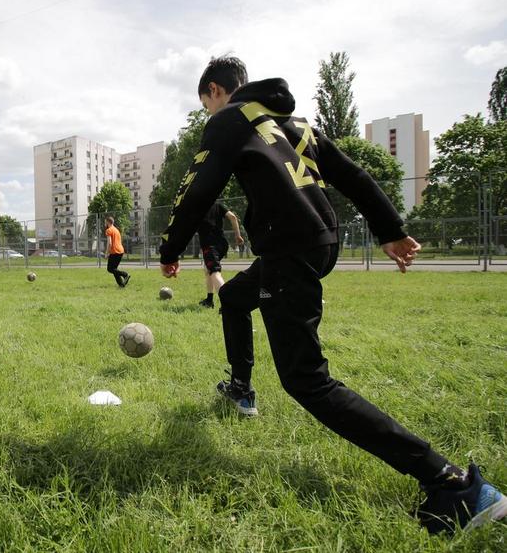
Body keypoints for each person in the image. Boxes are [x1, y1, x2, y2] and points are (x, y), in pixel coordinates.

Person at [157, 55, 506, 535]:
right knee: (235, 300)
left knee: (307, 380)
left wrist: (170, 247)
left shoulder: (229, 121)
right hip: (318, 240)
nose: (207, 115)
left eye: (205, 105)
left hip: (289, 248)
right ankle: (240, 390)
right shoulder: (291, 123)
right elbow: (354, 174)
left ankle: (454, 484)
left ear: (216, 92)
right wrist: (389, 228)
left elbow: (198, 188)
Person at [196, 202, 243, 308]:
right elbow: (233, 217)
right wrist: (238, 236)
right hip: (222, 244)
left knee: (214, 272)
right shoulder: (217, 204)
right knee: (207, 270)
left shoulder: (197, 207)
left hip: (210, 245)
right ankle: (209, 300)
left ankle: (228, 304)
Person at [104, 216, 129, 287]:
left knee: (110, 269)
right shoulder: (116, 230)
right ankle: (121, 284)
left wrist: (107, 253)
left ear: (108, 222)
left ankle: (125, 275)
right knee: (114, 269)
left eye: (105, 222)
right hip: (120, 251)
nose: (105, 223)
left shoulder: (108, 230)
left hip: (115, 252)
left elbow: (109, 243)